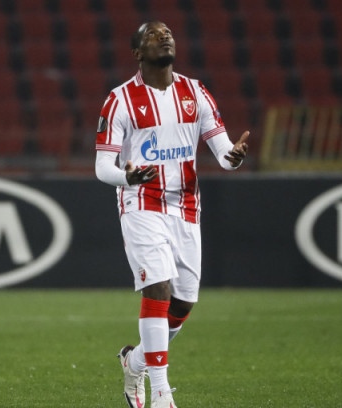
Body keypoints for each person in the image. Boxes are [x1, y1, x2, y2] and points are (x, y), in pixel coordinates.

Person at [95, 21, 249, 408]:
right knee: (158, 287)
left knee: (182, 304)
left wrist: (233, 158)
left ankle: (135, 362)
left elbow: (223, 152)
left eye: (167, 33)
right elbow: (102, 167)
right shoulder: (120, 100)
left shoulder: (195, 92)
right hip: (141, 202)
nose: (164, 36)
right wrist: (127, 177)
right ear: (137, 53)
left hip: (186, 206)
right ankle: (161, 393)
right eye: (153, 34)